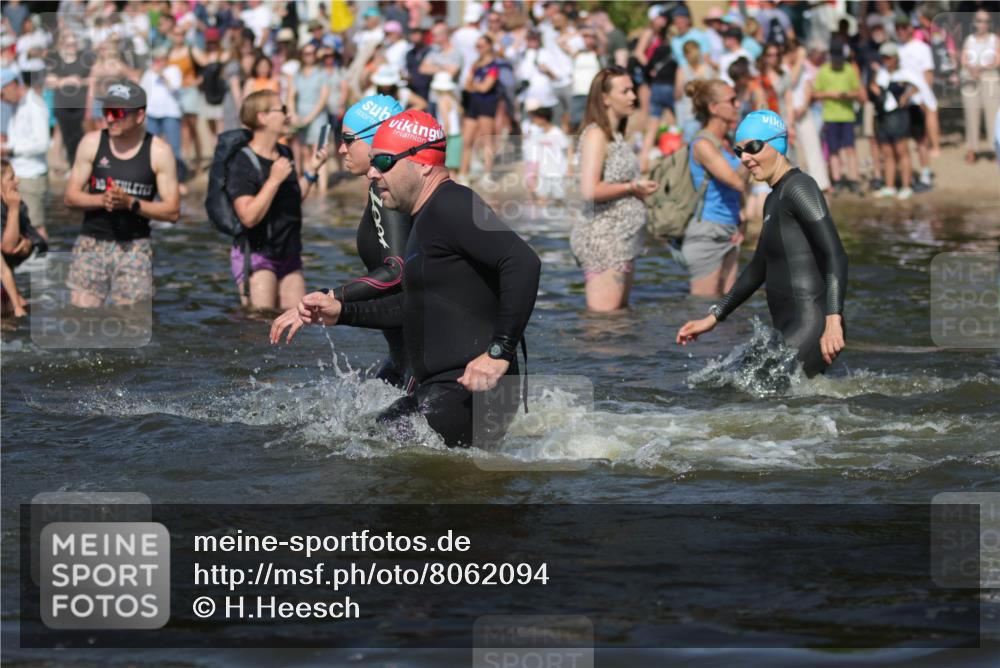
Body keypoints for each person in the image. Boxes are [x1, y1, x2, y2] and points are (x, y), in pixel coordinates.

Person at [270, 110, 542, 448]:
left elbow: (523, 262)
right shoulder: (425, 218)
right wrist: (341, 312)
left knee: (370, 448)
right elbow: (416, 306)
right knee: (367, 441)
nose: (372, 172)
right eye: (372, 162)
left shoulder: (452, 204)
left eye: (383, 162)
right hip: (450, 390)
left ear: (423, 163)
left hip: (470, 389)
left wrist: (499, 351)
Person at [676, 111, 848, 378]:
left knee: (748, 394)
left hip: (812, 325)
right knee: (723, 381)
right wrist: (712, 318)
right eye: (739, 150)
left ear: (777, 143)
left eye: (753, 147)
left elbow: (835, 253)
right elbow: (758, 269)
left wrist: (834, 320)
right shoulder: (773, 198)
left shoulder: (800, 188)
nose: (745, 158)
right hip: (789, 328)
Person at [271, 94, 411, 387]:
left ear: (375, 141)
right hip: (405, 353)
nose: (341, 148)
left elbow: (397, 270)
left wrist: (330, 297)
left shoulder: (390, 192)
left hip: (424, 358)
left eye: (348, 139)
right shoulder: (386, 187)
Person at [63, 80, 180, 307]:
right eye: (106, 111)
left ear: (139, 116)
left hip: (135, 247)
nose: (109, 118)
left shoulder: (159, 151)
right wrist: (101, 199)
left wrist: (130, 203)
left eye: (117, 112)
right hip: (92, 243)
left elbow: (172, 211)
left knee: (131, 326)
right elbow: (70, 197)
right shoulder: (92, 143)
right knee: (83, 319)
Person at [226, 90, 329, 310]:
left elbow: (291, 201)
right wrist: (273, 180)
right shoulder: (241, 162)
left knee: (299, 320)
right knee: (260, 323)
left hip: (289, 254)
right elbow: (248, 217)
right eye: (282, 109)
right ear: (262, 117)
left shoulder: (285, 153)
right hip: (257, 255)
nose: (288, 115)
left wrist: (311, 171)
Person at [570, 66, 657, 313]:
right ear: (605, 98)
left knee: (619, 320)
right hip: (604, 241)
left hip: (621, 240)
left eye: (633, 90)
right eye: (625, 91)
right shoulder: (596, 134)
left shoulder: (615, 135)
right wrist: (632, 187)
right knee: (604, 327)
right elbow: (590, 190)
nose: (632, 96)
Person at [680, 78, 750, 298]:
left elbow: (738, 190)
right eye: (732, 100)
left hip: (729, 230)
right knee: (704, 310)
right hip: (706, 235)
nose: (737, 105)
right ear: (713, 108)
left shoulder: (728, 143)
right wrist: (753, 147)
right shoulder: (702, 145)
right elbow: (736, 181)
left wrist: (742, 219)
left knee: (729, 309)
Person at [0, 67, 49, 242]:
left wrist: (10, 149)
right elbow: (22, 138)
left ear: (13, 85)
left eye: (2, 94)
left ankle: (42, 264)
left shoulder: (34, 104)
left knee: (36, 225)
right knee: (21, 223)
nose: (2, 100)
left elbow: (43, 143)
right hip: (20, 172)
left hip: (32, 175)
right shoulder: (18, 105)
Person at [870, 42, 921, 200]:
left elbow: (917, 86)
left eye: (888, 57)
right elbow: (874, 87)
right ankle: (890, 186)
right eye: (883, 57)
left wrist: (906, 95)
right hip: (883, 116)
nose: (885, 60)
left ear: (895, 58)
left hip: (899, 115)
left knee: (901, 151)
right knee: (887, 152)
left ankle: (906, 186)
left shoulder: (905, 73)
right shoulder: (881, 73)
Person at [813, 39, 863, 193]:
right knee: (833, 150)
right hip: (830, 116)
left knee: (850, 149)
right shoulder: (823, 70)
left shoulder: (848, 69)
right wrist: (830, 94)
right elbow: (815, 93)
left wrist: (846, 95)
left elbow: (858, 92)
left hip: (847, 115)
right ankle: (837, 179)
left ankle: (853, 179)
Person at [1, 159, 44, 317]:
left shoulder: (19, 204)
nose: (17, 181)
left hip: (7, 286)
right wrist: (12, 210)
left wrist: (28, 243)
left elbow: (39, 240)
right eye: (11, 178)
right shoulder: (13, 206)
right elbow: (8, 247)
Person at [459, 36, 501, 184]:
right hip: (474, 103)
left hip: (487, 104)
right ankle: (463, 173)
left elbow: (485, 87)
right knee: (467, 139)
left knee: (487, 139)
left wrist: (475, 84)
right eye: (477, 46)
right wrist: (477, 84)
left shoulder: (494, 66)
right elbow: (468, 84)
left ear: (489, 46)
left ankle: (487, 174)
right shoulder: (475, 64)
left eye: (481, 46)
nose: (479, 49)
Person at [46, 29, 91, 165]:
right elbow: (50, 82)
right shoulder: (56, 60)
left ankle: (82, 165)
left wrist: (81, 81)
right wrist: (69, 80)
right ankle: (73, 166)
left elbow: (92, 79)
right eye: (68, 44)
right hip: (63, 106)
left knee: (81, 138)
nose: (72, 47)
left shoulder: (84, 59)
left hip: (80, 106)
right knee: (68, 139)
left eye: (74, 44)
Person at [960, 9, 999, 162]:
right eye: (979, 20)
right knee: (971, 113)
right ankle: (972, 148)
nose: (982, 24)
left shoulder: (994, 39)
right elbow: (963, 59)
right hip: (970, 77)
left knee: (992, 114)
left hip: (990, 77)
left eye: (985, 21)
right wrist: (971, 69)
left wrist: (981, 69)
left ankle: (994, 148)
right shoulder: (969, 39)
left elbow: (997, 59)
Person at [288, 43, 330, 181]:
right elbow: (291, 96)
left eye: (312, 53)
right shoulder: (297, 74)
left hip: (318, 117)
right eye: (306, 53)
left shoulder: (322, 72)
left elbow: (323, 98)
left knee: (319, 152)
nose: (309, 56)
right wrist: (293, 113)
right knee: (305, 151)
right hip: (301, 116)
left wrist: (310, 118)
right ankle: (309, 184)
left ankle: (323, 188)